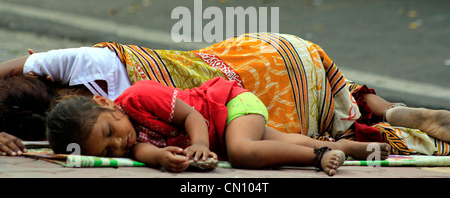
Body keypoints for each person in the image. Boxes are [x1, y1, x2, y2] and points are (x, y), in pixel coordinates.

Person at [1, 33, 449, 157]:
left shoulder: (104, 107)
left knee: (267, 139)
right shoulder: (73, 68)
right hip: (268, 54)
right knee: (338, 100)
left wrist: (196, 146)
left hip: (253, 92)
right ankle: (396, 110)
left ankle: (379, 127)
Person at [46, 77, 390, 176]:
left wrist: (198, 144)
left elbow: (193, 117)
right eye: (108, 151)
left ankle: (319, 157)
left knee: (243, 152)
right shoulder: (131, 141)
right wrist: (166, 161)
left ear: (105, 104)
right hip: (227, 128)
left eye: (109, 133)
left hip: (231, 103)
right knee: (283, 142)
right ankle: (349, 148)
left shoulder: (137, 97)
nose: (119, 144)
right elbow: (144, 152)